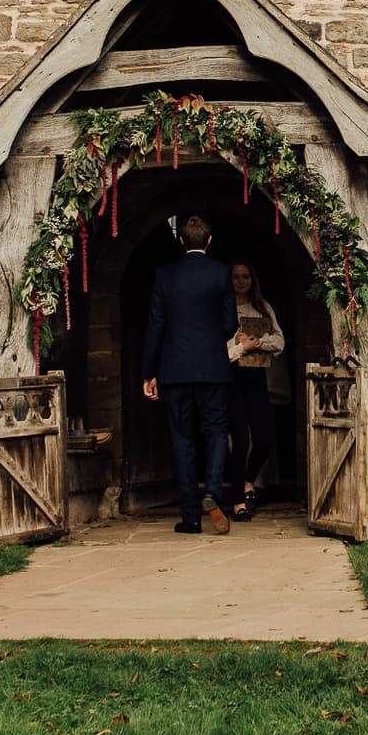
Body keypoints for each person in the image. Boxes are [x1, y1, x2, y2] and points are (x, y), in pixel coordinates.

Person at [142, 214, 238, 536]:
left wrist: (149, 372)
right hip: (213, 368)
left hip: (174, 370)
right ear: (208, 242)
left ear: (181, 242)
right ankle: (212, 492)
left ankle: (191, 518)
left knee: (183, 440)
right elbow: (230, 325)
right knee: (215, 433)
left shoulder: (164, 274)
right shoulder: (221, 272)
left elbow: (155, 326)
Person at [222, 261, 285, 520]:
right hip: (231, 380)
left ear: (252, 279)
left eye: (245, 276)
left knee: (263, 439)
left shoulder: (262, 307)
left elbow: (279, 342)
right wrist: (238, 346)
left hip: (257, 379)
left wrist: (257, 343)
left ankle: (248, 481)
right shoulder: (222, 309)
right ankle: (237, 499)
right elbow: (217, 351)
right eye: (236, 276)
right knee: (239, 441)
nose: (241, 281)